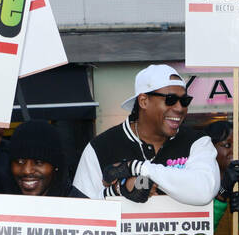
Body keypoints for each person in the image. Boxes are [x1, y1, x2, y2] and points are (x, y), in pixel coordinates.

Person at [73, 65, 219, 205]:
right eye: (170, 100)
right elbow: (82, 212)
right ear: (143, 101)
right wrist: (118, 190)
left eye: (185, 101)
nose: (180, 108)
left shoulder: (197, 142)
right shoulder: (101, 147)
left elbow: (204, 191)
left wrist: (137, 168)